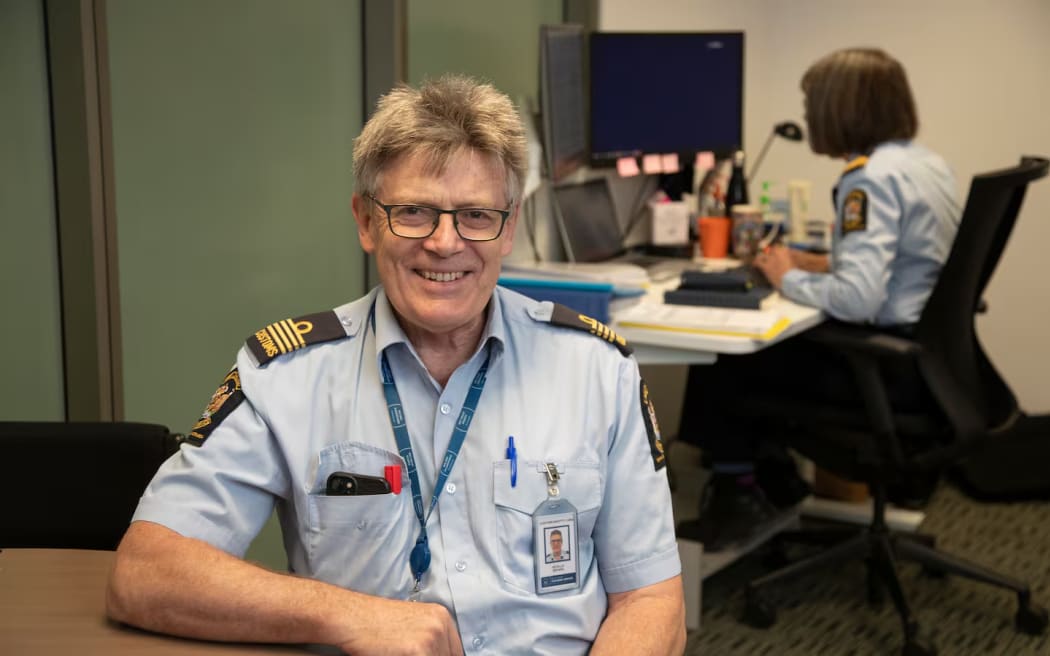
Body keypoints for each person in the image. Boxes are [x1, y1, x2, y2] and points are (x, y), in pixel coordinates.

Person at [106, 74, 685, 655]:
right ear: (365, 221)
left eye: (476, 216)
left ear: (508, 227)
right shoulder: (287, 376)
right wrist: (346, 616)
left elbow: (651, 600)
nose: (444, 242)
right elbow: (146, 572)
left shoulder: (596, 369)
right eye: (413, 212)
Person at [676, 47, 961, 551]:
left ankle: (741, 494)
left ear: (840, 109)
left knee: (726, 354)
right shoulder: (922, 165)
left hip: (884, 371)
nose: (807, 116)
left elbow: (857, 299)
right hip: (930, 366)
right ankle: (775, 480)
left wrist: (786, 277)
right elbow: (906, 261)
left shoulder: (867, 180)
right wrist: (818, 262)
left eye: (812, 104)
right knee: (762, 349)